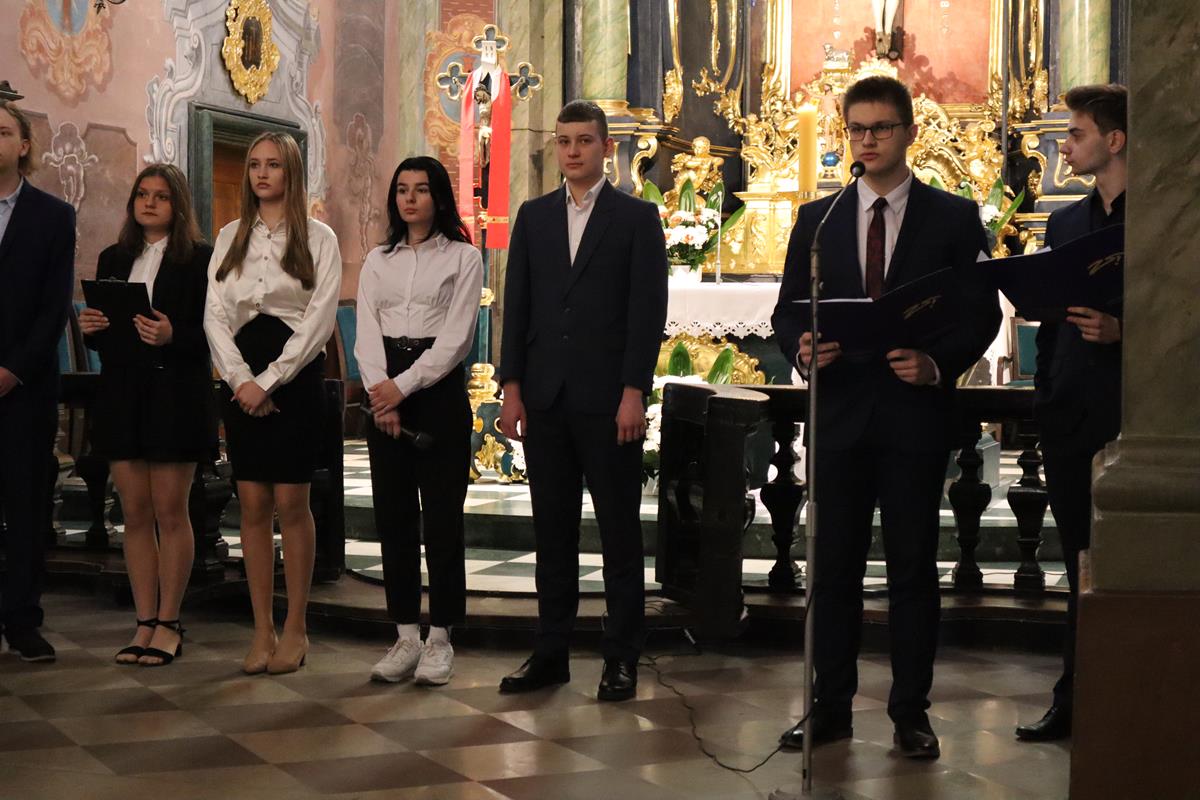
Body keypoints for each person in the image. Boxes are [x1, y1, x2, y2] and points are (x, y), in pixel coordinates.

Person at [771, 76, 1000, 758]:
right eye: (857, 129)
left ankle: (910, 714)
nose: (867, 141)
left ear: (909, 133)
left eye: (880, 128)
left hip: (912, 415)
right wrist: (802, 347)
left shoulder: (952, 216)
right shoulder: (820, 219)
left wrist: (937, 363)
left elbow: (981, 312)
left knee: (911, 571)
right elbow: (787, 309)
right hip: (840, 414)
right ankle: (830, 707)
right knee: (833, 569)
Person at [496, 100, 668, 702]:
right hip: (546, 397)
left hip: (608, 399)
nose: (572, 151)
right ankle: (551, 653)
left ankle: (621, 657)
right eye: (564, 141)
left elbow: (646, 313)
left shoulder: (636, 217)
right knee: (553, 533)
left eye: (584, 141)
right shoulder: (534, 216)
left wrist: (634, 392)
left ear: (606, 148)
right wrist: (512, 388)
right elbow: (518, 305)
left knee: (619, 534)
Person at [203, 132, 341, 675]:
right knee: (253, 504)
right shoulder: (229, 236)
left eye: (274, 165)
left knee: (291, 502)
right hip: (240, 377)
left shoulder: (319, 238)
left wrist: (271, 380)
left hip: (295, 378)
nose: (262, 174)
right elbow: (214, 313)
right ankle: (261, 630)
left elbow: (319, 320)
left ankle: (296, 627)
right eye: (255, 165)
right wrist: (240, 380)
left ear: (292, 173)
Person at [1015, 84, 1127, 743]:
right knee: (1076, 557)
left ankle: (1129, 699)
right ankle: (1074, 695)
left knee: (1127, 564)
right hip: (1068, 414)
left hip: (1134, 415)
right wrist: (1047, 395)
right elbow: (1055, 323)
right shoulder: (1063, 225)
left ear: (1115, 140)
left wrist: (1124, 331)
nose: (1064, 145)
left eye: (1077, 133)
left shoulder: (1164, 219)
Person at [78, 164, 215, 666]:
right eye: (142, 194)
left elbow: (216, 332)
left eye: (161, 196)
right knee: (133, 512)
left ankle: (169, 622)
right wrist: (93, 328)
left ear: (178, 205)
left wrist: (174, 334)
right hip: (123, 394)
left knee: (170, 511)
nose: (149, 203)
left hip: (175, 394)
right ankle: (143, 620)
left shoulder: (200, 259)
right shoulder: (114, 257)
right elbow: (110, 336)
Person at [354, 156, 482, 686]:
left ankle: (441, 637)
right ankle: (406, 634)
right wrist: (380, 395)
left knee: (443, 519)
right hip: (385, 387)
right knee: (395, 517)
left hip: (437, 391)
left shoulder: (463, 257)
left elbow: (457, 339)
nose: (410, 199)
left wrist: (400, 389)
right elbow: (365, 331)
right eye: (402, 189)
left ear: (439, 198)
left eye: (421, 189)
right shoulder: (377, 260)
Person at [0, 98, 76, 663]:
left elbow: (54, 308)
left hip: (25, 387)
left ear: (23, 145)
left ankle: (23, 619)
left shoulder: (53, 216)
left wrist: (14, 370)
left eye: (3, 132)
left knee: (26, 505)